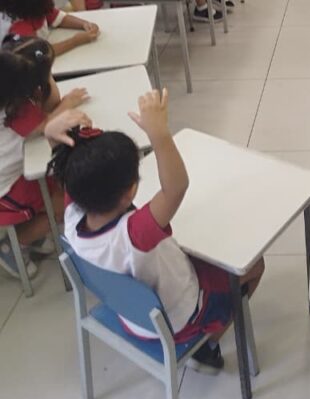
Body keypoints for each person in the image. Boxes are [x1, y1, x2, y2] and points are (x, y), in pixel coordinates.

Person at [48, 89, 265, 374]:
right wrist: (159, 134)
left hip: (131, 314)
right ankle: (207, 348)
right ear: (130, 192)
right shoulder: (135, 234)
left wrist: (51, 134)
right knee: (254, 266)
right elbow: (176, 187)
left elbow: (67, 169)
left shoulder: (73, 215)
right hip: (176, 319)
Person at [0, 38, 88, 279]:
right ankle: (13, 247)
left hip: (12, 174)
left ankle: (32, 237)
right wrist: (68, 102)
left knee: (58, 183)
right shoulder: (18, 110)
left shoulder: (8, 96)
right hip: (7, 188)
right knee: (62, 204)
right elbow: (48, 121)